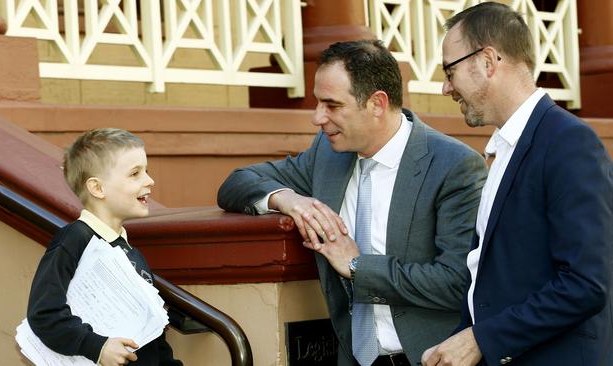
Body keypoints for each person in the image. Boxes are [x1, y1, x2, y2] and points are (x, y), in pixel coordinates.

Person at [218, 39, 487, 365]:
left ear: (377, 103)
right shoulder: (327, 155)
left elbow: (456, 282)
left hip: (429, 359)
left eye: (332, 106)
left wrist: (358, 267)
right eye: (318, 103)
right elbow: (236, 183)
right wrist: (287, 199)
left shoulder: (454, 165)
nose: (317, 118)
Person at [422, 3, 613, 366]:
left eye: (450, 70)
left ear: (489, 61)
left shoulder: (569, 142)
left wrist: (482, 340)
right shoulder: (502, 148)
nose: (446, 87)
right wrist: (463, 341)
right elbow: (489, 275)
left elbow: (585, 285)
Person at [27, 128, 182, 366]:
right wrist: (97, 347)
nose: (149, 180)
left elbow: (154, 337)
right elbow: (44, 314)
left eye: (146, 171)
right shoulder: (74, 238)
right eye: (135, 174)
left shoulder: (132, 254)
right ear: (97, 188)